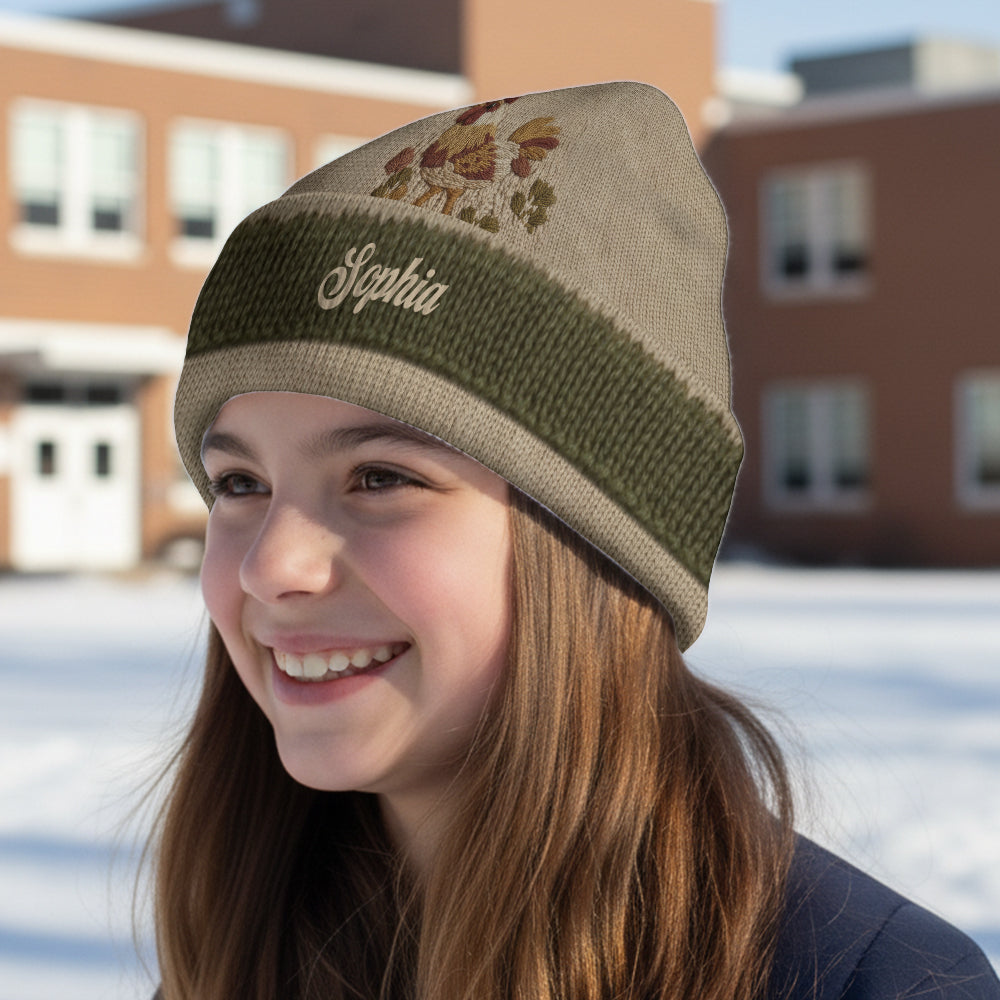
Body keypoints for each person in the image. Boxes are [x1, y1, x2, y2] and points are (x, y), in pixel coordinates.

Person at [156, 82, 999, 999]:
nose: (272, 565)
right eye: (239, 483)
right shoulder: (243, 951)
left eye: (382, 478)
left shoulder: (879, 985)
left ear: (599, 544)